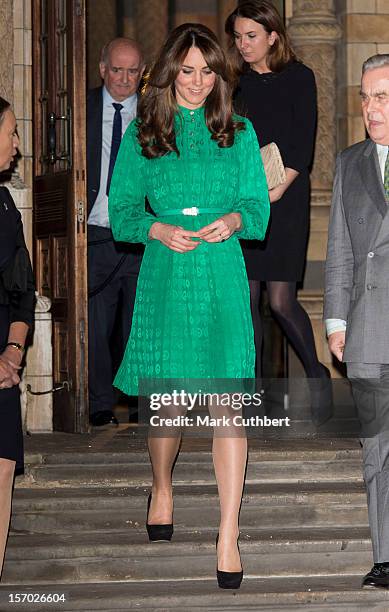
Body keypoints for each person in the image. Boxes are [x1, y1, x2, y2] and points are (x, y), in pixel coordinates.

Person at [109, 23, 269, 589]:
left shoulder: (239, 131)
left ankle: (228, 534)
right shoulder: (143, 134)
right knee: (170, 404)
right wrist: (156, 227)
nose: (198, 82)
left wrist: (235, 219)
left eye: (208, 71)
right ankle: (163, 485)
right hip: (168, 272)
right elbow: (123, 210)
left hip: (222, 273)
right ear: (171, 71)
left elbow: (257, 204)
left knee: (227, 402)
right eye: (188, 70)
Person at [225, 1, 332, 423]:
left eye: (251, 36)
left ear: (273, 35)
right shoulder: (232, 82)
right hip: (244, 202)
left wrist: (270, 193)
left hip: (284, 200)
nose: (243, 44)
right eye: (237, 37)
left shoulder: (300, 77)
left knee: (281, 299)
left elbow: (301, 144)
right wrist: (244, 198)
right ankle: (252, 394)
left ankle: (317, 373)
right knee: (246, 299)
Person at [325, 53, 389, 589]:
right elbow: (340, 251)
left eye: (382, 96)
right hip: (369, 327)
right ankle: (385, 556)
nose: (371, 108)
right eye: (365, 97)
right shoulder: (349, 163)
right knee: (377, 448)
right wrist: (335, 320)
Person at [87, 38, 145, 426]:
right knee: (96, 322)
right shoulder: (80, 108)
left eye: (132, 71)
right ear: (103, 69)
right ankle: (100, 405)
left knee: (139, 321)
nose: (124, 79)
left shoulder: (157, 113)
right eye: (117, 70)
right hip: (94, 232)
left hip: (144, 234)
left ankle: (143, 403)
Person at [0, 97, 35, 575]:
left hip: (4, 366)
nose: (16, 142)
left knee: (3, 467)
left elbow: (23, 289)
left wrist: (11, 350)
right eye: (10, 131)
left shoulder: (6, 203)